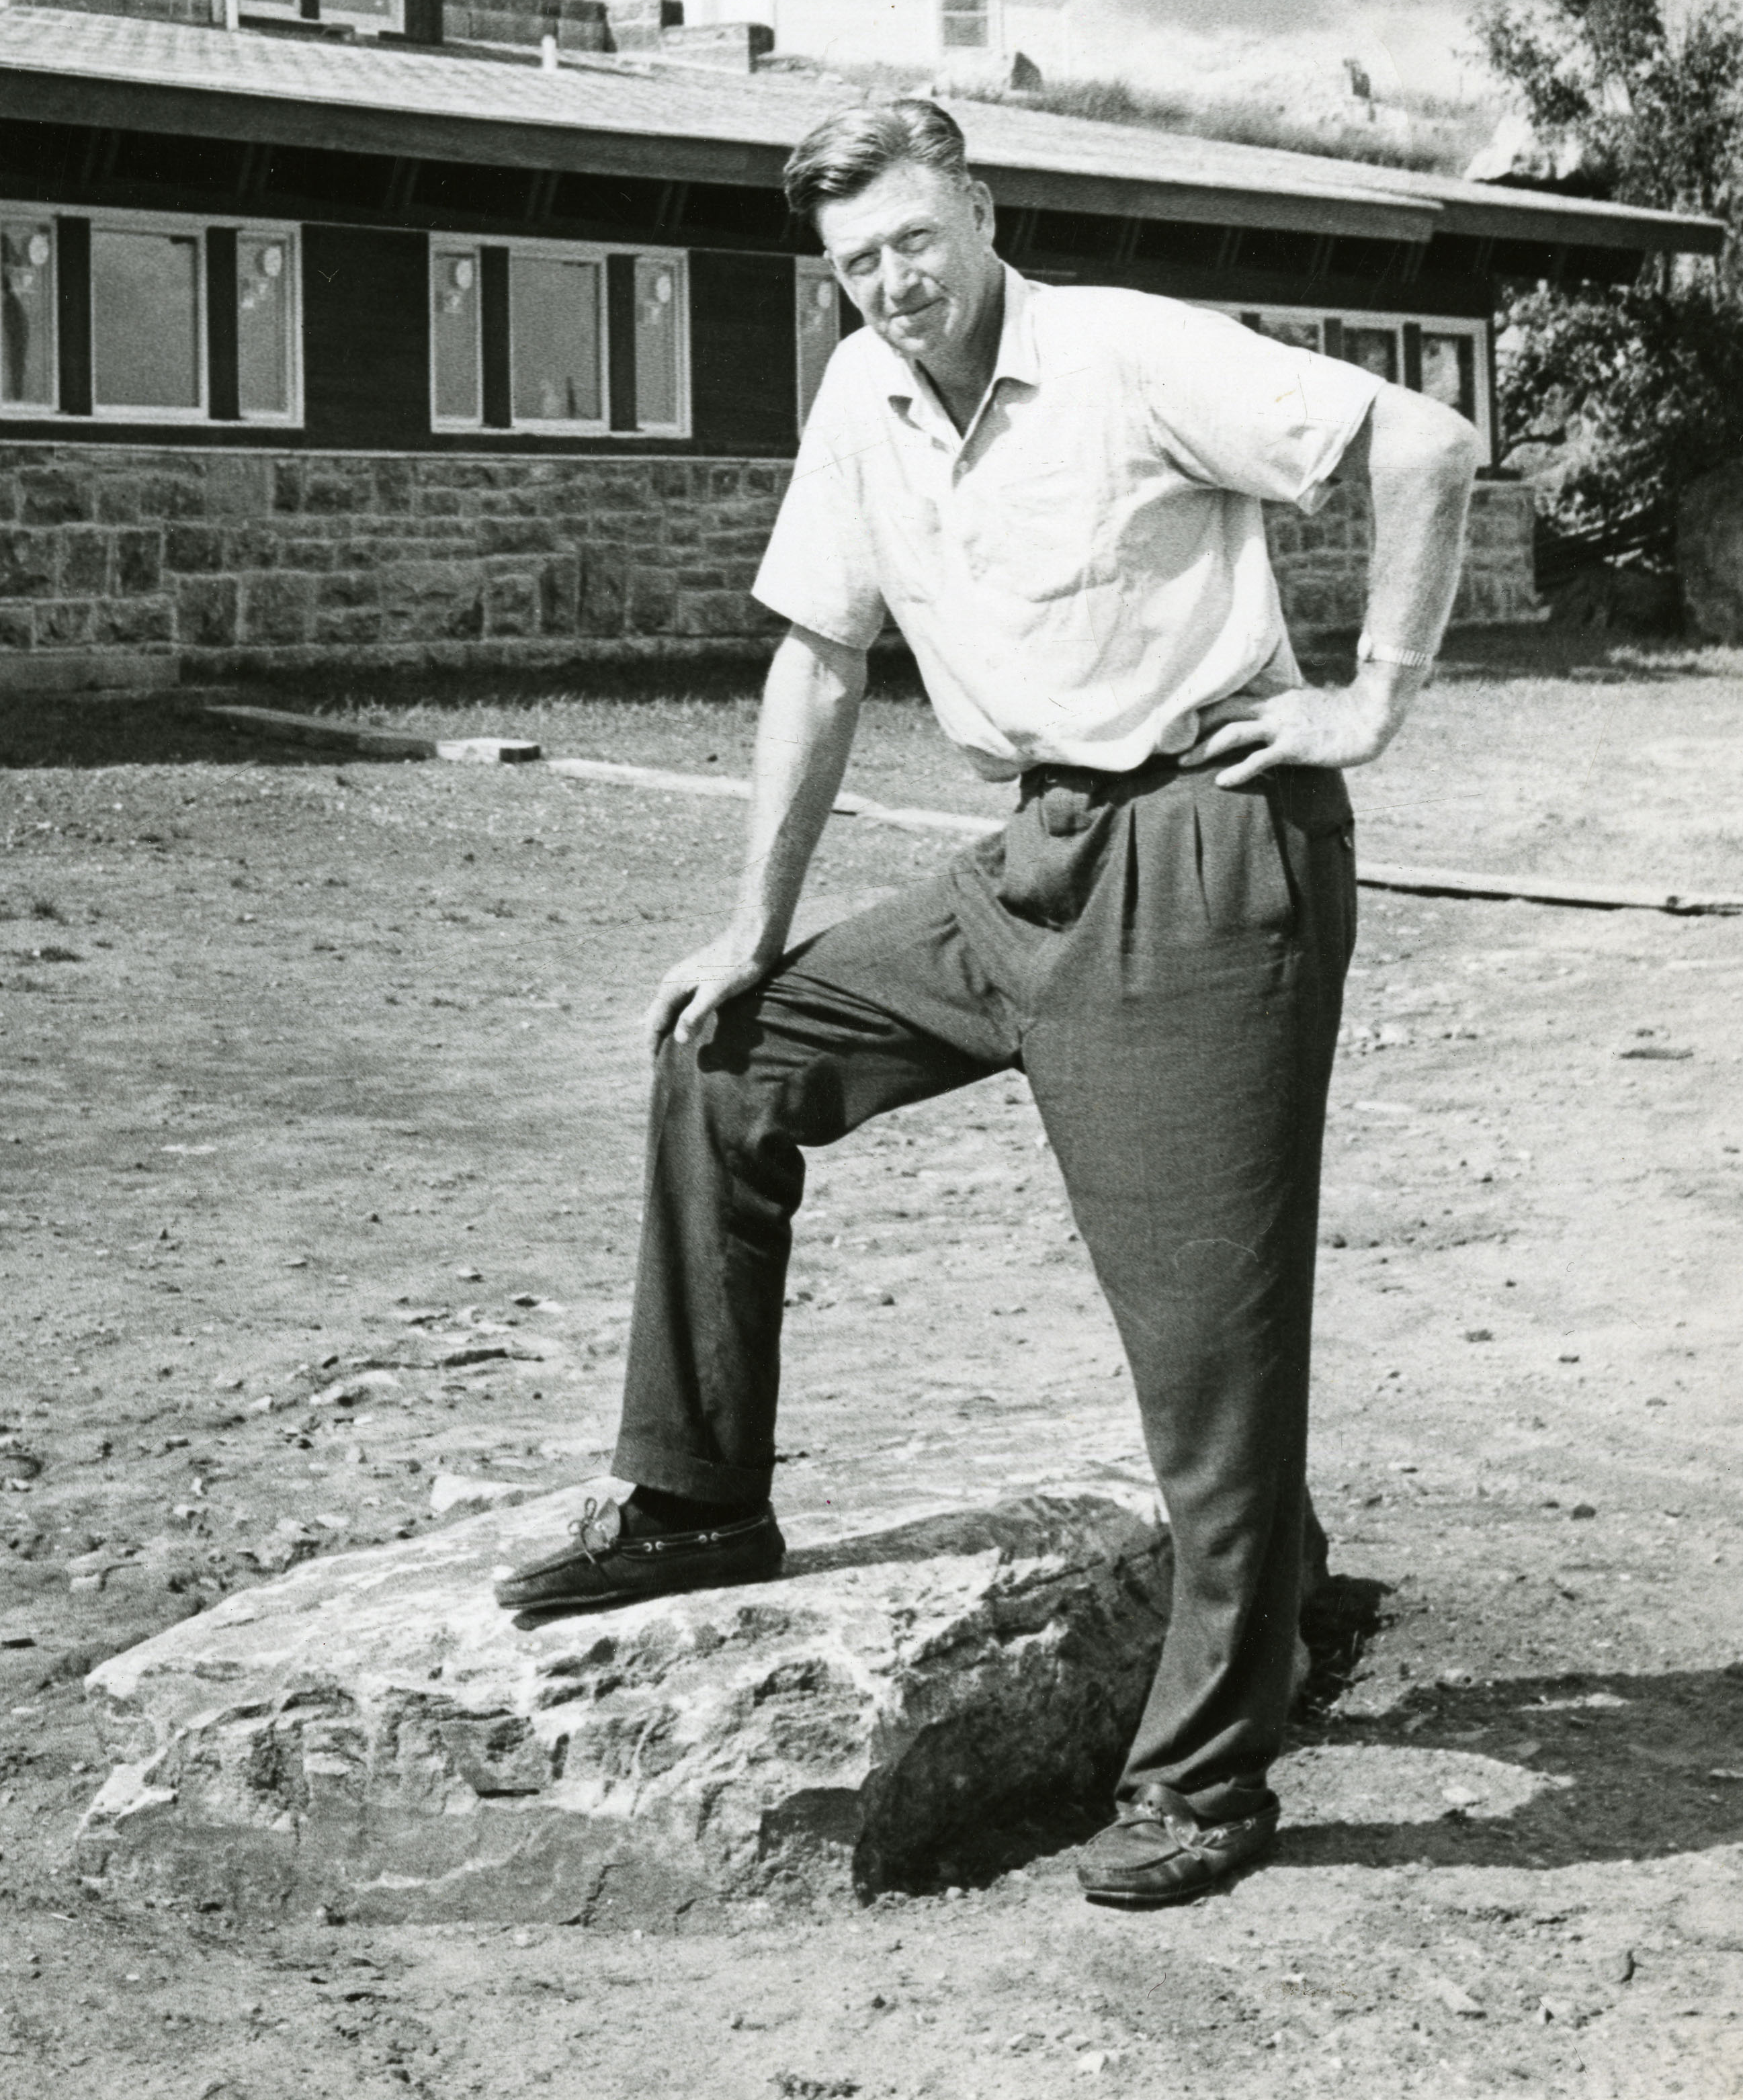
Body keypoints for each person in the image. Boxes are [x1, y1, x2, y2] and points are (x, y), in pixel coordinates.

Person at [493, 97, 1483, 1911]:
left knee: (1208, 1350)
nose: (890, 284)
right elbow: (816, 651)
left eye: (914, 243)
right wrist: (749, 928)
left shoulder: (1119, 351)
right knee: (729, 1059)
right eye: (856, 262)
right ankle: (697, 1501)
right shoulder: (863, 398)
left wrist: (1372, 696)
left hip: (1203, 856)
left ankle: (1206, 1776)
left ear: (981, 212)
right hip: (1027, 854)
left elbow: (1422, 441)